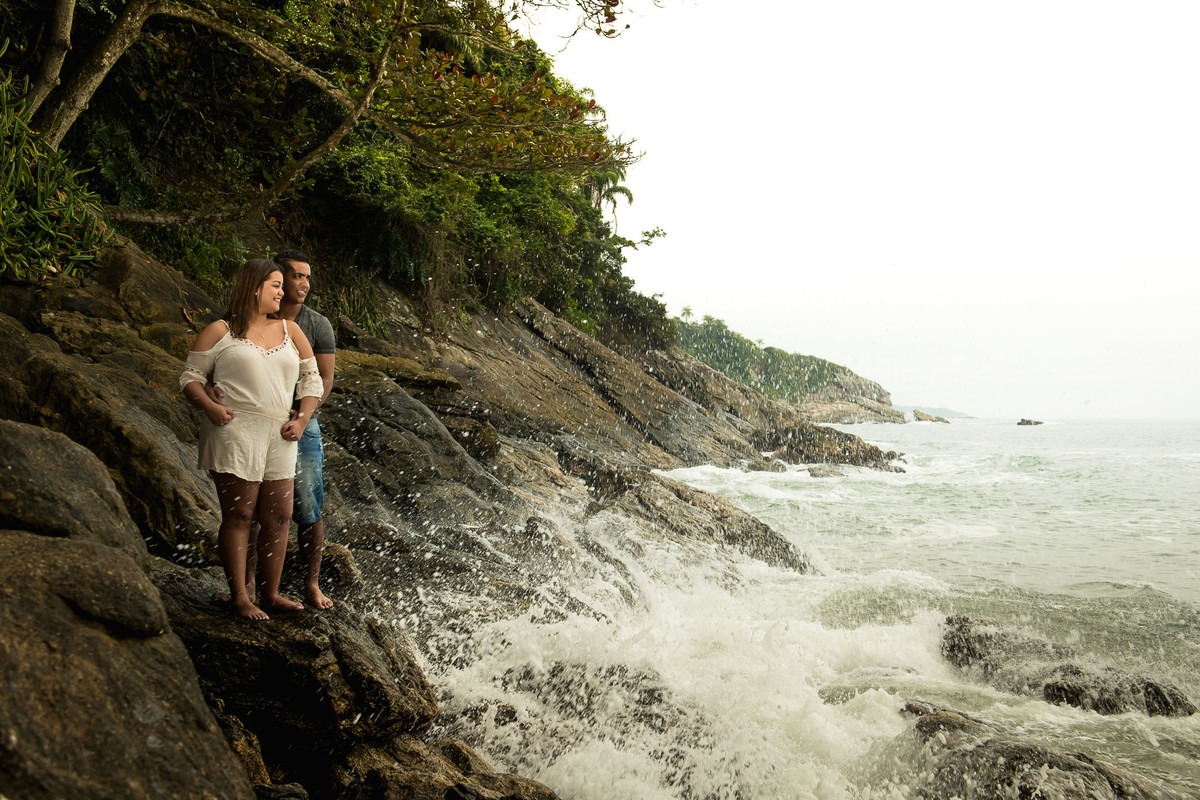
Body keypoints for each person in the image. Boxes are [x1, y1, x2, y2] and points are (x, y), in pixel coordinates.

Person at [180, 258, 324, 621]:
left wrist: (303, 417)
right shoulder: (221, 331)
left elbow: (312, 382)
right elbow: (190, 378)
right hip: (233, 430)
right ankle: (240, 596)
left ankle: (271, 593)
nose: (282, 291)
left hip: (281, 431)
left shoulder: (293, 331)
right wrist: (210, 408)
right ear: (254, 287)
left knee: (280, 515)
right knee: (241, 514)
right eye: (275, 285)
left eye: (281, 284)